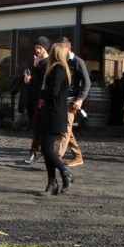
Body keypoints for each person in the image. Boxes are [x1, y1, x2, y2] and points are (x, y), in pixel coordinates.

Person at [35, 42, 74, 195]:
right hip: (51, 112)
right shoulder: (57, 68)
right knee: (46, 148)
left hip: (54, 114)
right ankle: (52, 183)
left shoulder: (58, 69)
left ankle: (65, 173)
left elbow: (53, 91)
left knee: (46, 148)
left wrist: (42, 92)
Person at [55, 37, 90, 167]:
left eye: (60, 49)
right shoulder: (61, 61)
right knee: (66, 130)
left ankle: (57, 158)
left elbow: (87, 82)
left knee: (65, 128)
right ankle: (78, 156)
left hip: (73, 101)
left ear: (68, 49)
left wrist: (80, 99)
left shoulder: (78, 62)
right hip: (62, 100)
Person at [23, 36, 51, 163]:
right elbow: (29, 74)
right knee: (35, 125)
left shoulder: (49, 61)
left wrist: (37, 66)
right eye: (36, 47)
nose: (37, 50)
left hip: (43, 98)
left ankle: (35, 151)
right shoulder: (34, 61)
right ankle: (41, 150)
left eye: (40, 47)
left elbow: (46, 78)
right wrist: (26, 79)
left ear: (45, 48)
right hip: (32, 96)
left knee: (38, 125)